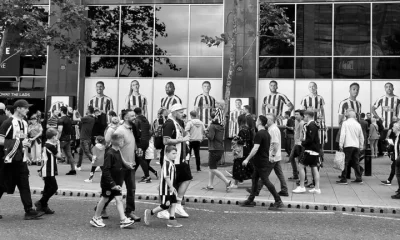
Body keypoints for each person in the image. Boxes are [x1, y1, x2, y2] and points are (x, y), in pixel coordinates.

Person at [0, 99, 45, 220]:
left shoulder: (25, 123)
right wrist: (19, 143)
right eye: (25, 108)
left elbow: (22, 140)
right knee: (2, 185)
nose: (27, 110)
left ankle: (29, 210)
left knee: (24, 184)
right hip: (10, 160)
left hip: (21, 160)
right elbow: (1, 140)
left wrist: (27, 146)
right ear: (18, 108)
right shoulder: (8, 123)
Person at [90, 133, 135, 229]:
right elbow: (105, 170)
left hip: (116, 182)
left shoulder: (117, 150)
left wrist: (127, 164)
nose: (124, 142)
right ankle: (95, 218)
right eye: (122, 141)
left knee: (119, 199)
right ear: (117, 142)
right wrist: (112, 184)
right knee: (104, 199)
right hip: (109, 183)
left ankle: (123, 220)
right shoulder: (110, 153)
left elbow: (121, 159)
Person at [240, 115, 284, 210]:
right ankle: (250, 199)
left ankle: (278, 200)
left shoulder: (260, 134)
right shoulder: (266, 133)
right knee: (254, 179)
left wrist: (247, 159)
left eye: (257, 121)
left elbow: (255, 148)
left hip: (261, 162)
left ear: (259, 122)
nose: (255, 122)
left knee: (265, 181)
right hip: (260, 161)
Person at [157, 104, 191, 219]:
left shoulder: (178, 122)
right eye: (180, 112)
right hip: (170, 159)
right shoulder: (169, 123)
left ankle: (177, 204)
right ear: (174, 112)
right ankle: (163, 209)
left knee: (186, 178)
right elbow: (165, 141)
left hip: (179, 158)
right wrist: (181, 139)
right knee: (169, 184)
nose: (183, 114)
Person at [143, 145, 182, 228]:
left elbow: (163, 175)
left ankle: (171, 220)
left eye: (176, 153)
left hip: (171, 188)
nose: (175, 155)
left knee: (174, 203)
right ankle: (150, 212)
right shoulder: (167, 164)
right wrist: (170, 186)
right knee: (166, 205)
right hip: (166, 189)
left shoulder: (171, 163)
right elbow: (166, 177)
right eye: (173, 153)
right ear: (167, 153)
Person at [203, 111, 234, 191]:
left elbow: (211, 137)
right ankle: (210, 185)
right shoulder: (221, 126)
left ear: (211, 118)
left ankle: (227, 181)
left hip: (214, 149)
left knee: (213, 168)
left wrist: (205, 133)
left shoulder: (212, 126)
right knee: (211, 167)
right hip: (220, 149)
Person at [292, 110, 321, 194]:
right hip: (315, 151)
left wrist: (303, 143)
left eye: (304, 116)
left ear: (307, 116)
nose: (303, 117)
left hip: (310, 150)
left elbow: (310, 139)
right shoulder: (315, 124)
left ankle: (301, 186)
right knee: (314, 168)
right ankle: (317, 188)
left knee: (300, 166)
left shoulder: (310, 125)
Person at [35, 128, 61, 214]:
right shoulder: (50, 146)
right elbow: (59, 156)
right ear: (53, 137)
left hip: (47, 169)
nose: (57, 138)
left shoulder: (46, 145)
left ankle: (44, 206)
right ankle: (41, 202)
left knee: (47, 188)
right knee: (54, 188)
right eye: (56, 136)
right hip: (48, 170)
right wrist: (59, 145)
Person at [337, 110, 364, 185]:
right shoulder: (358, 124)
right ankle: (359, 178)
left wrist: (340, 144)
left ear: (347, 116)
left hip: (348, 145)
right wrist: (361, 145)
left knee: (345, 162)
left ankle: (344, 179)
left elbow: (343, 134)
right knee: (356, 162)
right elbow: (361, 136)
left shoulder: (345, 123)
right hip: (356, 145)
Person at [229, 114, 253, 188]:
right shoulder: (250, 130)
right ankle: (253, 182)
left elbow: (241, 142)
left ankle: (236, 183)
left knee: (237, 165)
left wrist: (236, 138)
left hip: (241, 151)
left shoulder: (242, 131)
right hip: (248, 150)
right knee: (249, 167)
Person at [133, 107, 153, 183]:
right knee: (138, 158)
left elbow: (136, 132)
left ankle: (147, 177)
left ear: (134, 113)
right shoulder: (146, 120)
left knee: (141, 159)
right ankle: (131, 174)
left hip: (140, 142)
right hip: (146, 141)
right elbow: (150, 131)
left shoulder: (137, 120)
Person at [74, 106, 96, 172]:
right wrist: (78, 114)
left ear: (89, 110)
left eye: (86, 109)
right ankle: (78, 165)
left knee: (87, 152)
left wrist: (74, 113)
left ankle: (96, 163)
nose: (86, 110)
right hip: (86, 137)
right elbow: (81, 118)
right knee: (81, 152)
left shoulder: (87, 118)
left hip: (84, 138)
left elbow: (75, 119)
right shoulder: (91, 118)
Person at [287, 110, 305, 181]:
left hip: (299, 144)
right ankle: (296, 175)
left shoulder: (302, 123)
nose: (295, 115)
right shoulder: (297, 122)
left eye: (297, 114)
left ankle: (301, 177)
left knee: (300, 161)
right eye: (295, 114)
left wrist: (300, 143)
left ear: (301, 116)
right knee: (293, 158)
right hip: (297, 143)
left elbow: (302, 134)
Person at [57, 106, 75, 174]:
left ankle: (53, 170)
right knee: (69, 155)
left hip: (62, 139)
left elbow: (60, 130)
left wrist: (57, 138)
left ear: (61, 111)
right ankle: (73, 169)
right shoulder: (69, 119)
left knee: (54, 153)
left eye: (59, 110)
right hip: (68, 139)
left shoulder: (60, 120)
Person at [390, 122, 400, 199]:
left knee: (398, 175)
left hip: (398, 160)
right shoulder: (397, 136)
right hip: (397, 159)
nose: (392, 128)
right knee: (397, 175)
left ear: (397, 128)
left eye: (393, 127)